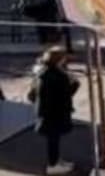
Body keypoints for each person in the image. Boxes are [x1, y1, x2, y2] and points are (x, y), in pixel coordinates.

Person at [31, 46, 75, 174]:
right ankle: (53, 165)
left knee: (54, 139)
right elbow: (65, 94)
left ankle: (56, 160)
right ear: (59, 60)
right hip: (54, 113)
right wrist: (74, 83)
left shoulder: (43, 72)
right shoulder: (57, 75)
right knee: (53, 139)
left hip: (47, 112)